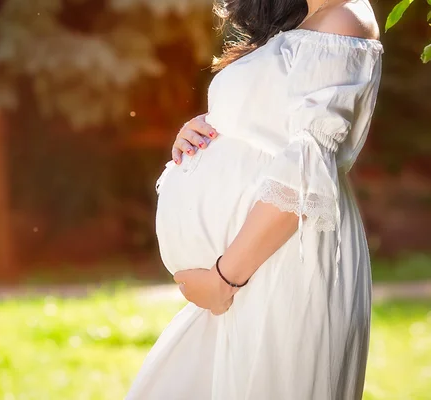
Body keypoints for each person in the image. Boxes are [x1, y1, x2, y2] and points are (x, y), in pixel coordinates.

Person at [126, 0, 383, 399]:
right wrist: (209, 129)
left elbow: (306, 170)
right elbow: (271, 125)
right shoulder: (299, 19)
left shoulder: (343, 18)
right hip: (247, 269)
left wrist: (224, 278)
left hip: (276, 259)